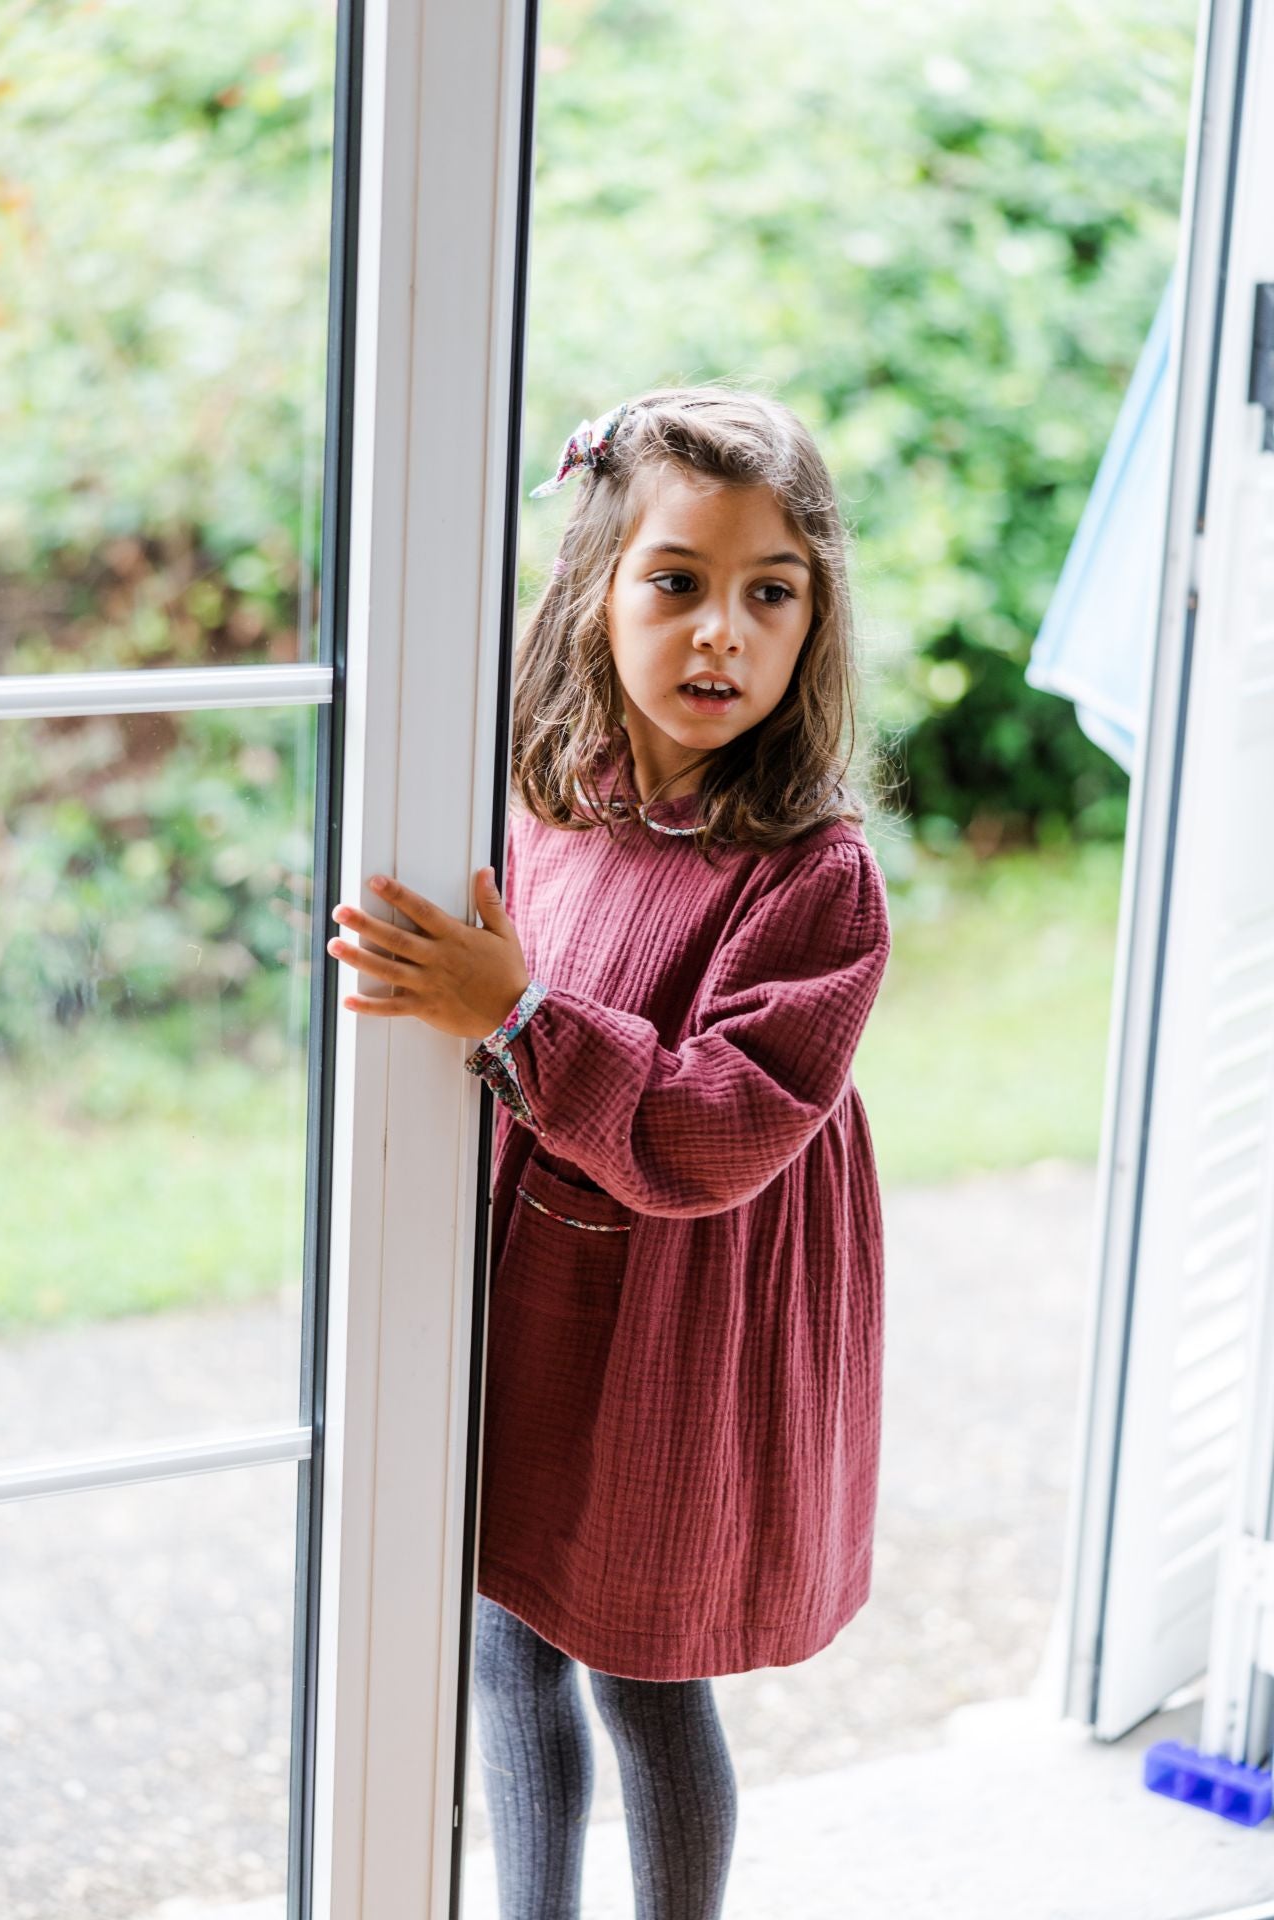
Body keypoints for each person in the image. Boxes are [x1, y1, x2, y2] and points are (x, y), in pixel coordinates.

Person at [326, 384, 892, 1920]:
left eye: (769, 596)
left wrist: (516, 1018)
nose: (723, 632)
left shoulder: (811, 877)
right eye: (679, 582)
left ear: (812, 622)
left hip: (685, 1324)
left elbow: (717, 1125)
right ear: (597, 588)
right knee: (510, 1632)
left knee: (644, 1673)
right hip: (539, 1296)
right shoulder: (539, 799)